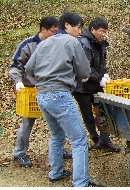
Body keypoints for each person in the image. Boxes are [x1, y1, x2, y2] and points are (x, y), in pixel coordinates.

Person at [25, 12, 103, 187]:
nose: (79, 32)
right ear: (66, 25)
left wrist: (43, 79)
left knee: (57, 134)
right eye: (77, 27)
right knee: (79, 139)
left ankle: (56, 172)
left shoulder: (44, 43)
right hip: (60, 95)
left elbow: (29, 68)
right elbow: (84, 72)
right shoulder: (72, 42)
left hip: (42, 96)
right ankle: (82, 182)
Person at [9, 16, 72, 168]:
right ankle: (19, 153)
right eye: (53, 31)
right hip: (31, 92)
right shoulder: (28, 45)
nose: (56, 35)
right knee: (27, 123)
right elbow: (15, 66)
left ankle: (58, 149)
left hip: (50, 89)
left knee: (58, 120)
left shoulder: (55, 45)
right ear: (43, 29)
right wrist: (18, 82)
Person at [73, 17, 120, 152]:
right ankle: (96, 139)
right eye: (101, 31)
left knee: (103, 112)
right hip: (82, 87)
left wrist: (104, 75)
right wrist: (99, 78)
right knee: (88, 115)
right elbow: (85, 67)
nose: (103, 35)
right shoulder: (84, 43)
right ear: (92, 30)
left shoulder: (101, 44)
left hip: (96, 86)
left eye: (105, 32)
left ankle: (105, 139)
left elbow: (101, 63)